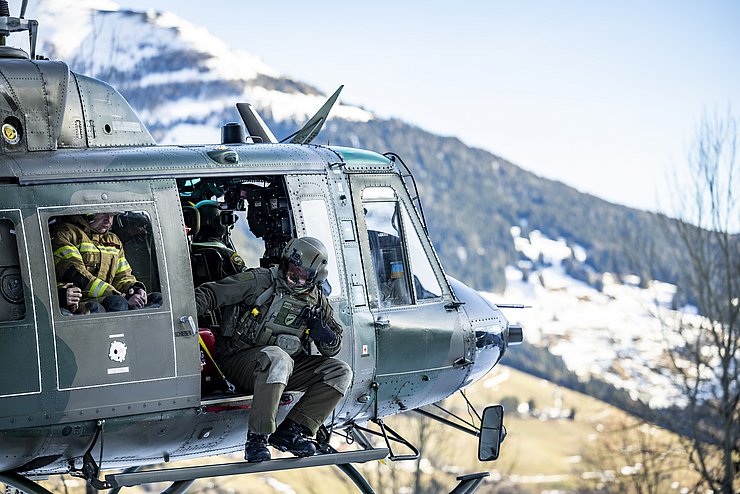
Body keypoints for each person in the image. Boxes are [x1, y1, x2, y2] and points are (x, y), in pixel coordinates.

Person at [194, 236, 352, 462]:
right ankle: (257, 437)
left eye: (303, 275)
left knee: (340, 372)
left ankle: (292, 430)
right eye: (292, 269)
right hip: (238, 362)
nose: (294, 277)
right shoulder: (260, 282)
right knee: (279, 357)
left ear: (315, 278)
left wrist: (324, 333)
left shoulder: (316, 302)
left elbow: (333, 346)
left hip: (282, 371)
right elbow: (211, 293)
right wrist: (181, 317)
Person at [51, 213, 162, 312]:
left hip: (108, 296)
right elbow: (79, 277)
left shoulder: (114, 241)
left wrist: (133, 289)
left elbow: (123, 275)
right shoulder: (66, 234)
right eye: (103, 214)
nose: (108, 221)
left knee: (158, 299)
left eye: (112, 215)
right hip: (81, 300)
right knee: (117, 303)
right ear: (88, 213)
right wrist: (123, 296)